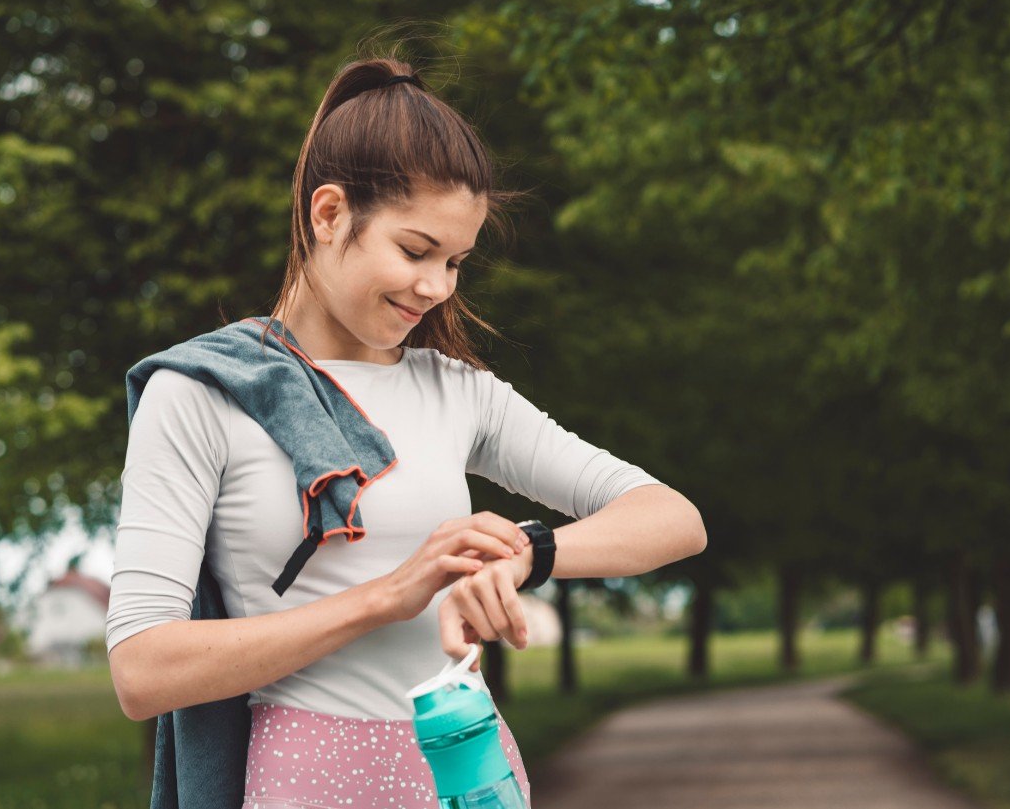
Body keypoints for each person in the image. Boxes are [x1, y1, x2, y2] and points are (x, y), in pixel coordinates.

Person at [104, 53, 708, 809]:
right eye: (416, 251)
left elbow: (675, 519)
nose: (438, 286)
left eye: (457, 261)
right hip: (308, 779)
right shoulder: (198, 394)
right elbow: (142, 669)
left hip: (470, 771)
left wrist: (526, 554)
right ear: (328, 214)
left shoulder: (457, 394)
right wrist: (390, 594)